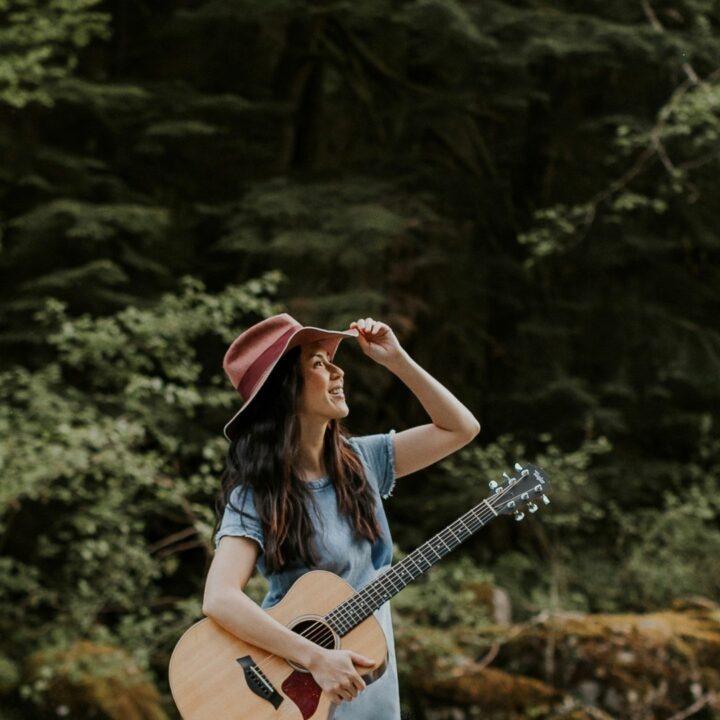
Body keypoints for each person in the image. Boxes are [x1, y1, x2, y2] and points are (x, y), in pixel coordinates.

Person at [202, 313, 480, 719]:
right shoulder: (256, 495)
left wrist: (397, 359)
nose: (338, 371)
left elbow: (461, 428)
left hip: (371, 689)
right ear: (286, 391)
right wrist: (314, 658)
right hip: (294, 690)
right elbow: (219, 597)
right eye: (318, 363)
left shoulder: (362, 462)